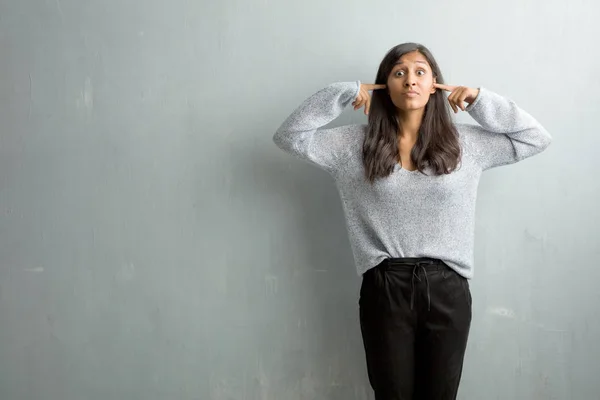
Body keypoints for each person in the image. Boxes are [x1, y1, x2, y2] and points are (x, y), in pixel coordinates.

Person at [272, 42, 552, 400]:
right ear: (384, 84)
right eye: (399, 72)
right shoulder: (353, 146)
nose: (410, 81)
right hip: (385, 287)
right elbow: (289, 137)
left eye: (421, 71)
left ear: (435, 83)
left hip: (448, 287)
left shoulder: (464, 143)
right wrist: (340, 94)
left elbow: (536, 139)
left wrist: (481, 100)